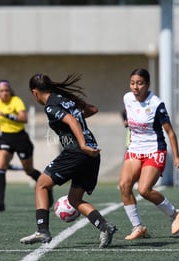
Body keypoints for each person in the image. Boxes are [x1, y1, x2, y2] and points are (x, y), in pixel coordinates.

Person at [20, 73, 117, 248]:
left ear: (35, 92)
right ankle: (104, 226)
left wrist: (81, 143)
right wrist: (79, 127)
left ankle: (42, 229)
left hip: (77, 152)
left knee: (41, 184)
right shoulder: (65, 99)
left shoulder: (51, 106)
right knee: (74, 199)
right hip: (92, 153)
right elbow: (92, 110)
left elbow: (71, 120)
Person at [119, 68, 179, 240]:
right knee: (124, 186)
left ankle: (175, 214)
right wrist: (128, 122)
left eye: (140, 83)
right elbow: (129, 114)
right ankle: (138, 227)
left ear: (147, 85)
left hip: (154, 150)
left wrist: (177, 157)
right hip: (135, 149)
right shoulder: (127, 98)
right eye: (132, 83)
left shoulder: (156, 104)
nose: (135, 87)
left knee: (144, 190)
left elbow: (170, 132)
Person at [0, 80, 51, 212]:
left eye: (7, 90)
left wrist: (7, 115)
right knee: (1, 165)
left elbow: (24, 119)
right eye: (1, 91)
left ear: (10, 91)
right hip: (5, 138)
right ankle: (0, 201)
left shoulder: (16, 101)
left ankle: (47, 188)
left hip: (20, 138)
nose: (5, 93)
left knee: (29, 170)